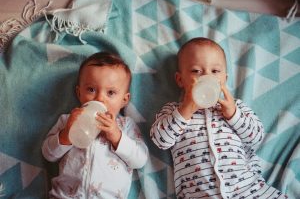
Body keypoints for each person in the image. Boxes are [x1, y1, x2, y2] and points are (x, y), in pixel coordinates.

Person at [150, 37, 288, 199]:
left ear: (225, 79)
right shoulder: (173, 111)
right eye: (196, 71)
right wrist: (186, 109)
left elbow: (256, 138)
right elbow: (160, 140)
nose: (206, 77)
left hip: (248, 190)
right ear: (180, 80)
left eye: (215, 71)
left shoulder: (236, 108)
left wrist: (233, 114)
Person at [42, 52, 148, 199]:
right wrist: (67, 134)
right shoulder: (68, 120)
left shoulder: (125, 125)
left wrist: (117, 137)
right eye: (91, 89)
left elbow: (140, 160)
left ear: (124, 99)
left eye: (110, 92)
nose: (99, 98)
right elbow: (48, 154)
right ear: (79, 93)